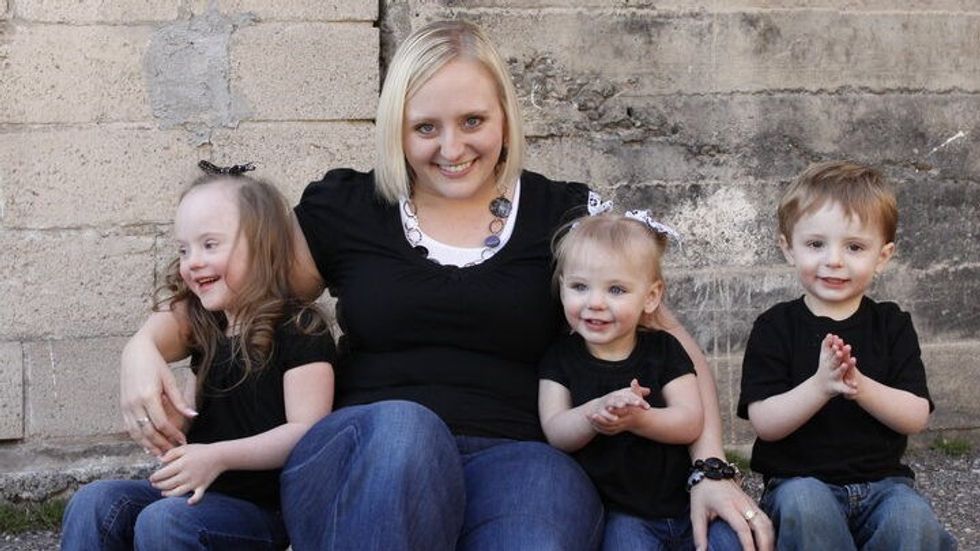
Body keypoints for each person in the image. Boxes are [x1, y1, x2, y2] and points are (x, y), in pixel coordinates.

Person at [118, 20, 773, 551]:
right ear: (396, 128)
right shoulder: (351, 206)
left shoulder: (560, 215)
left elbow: (663, 335)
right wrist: (144, 347)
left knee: (543, 529)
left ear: (505, 120)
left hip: (517, 456)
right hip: (365, 455)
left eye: (472, 122)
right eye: (424, 126)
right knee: (408, 431)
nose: (451, 147)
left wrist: (711, 467)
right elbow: (234, 286)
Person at [62, 164, 336, 550]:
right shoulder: (208, 332)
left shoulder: (300, 328)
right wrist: (171, 427)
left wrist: (217, 457)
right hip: (203, 497)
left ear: (263, 246)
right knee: (95, 502)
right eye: (184, 249)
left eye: (210, 245)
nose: (192, 261)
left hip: (268, 512)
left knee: (166, 521)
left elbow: (308, 433)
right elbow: (192, 422)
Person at [737, 161, 955, 550]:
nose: (834, 260)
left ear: (882, 256)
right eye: (816, 244)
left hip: (884, 485)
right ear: (788, 248)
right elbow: (766, 423)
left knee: (911, 517)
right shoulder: (775, 326)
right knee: (806, 505)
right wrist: (821, 386)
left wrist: (859, 386)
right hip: (799, 482)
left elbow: (916, 415)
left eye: (854, 247)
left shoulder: (891, 324)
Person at [539, 211, 742, 550]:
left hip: (686, 501)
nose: (595, 303)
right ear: (562, 289)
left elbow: (690, 421)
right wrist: (597, 412)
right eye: (579, 287)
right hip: (623, 516)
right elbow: (556, 431)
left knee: (731, 543)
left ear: (650, 297)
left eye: (616, 289)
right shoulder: (560, 358)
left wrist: (638, 418)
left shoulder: (662, 349)